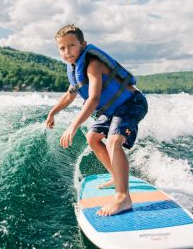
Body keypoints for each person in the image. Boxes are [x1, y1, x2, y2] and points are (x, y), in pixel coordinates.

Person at [45, 24, 148, 216]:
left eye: (72, 45)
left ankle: (123, 196)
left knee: (114, 140)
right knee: (93, 138)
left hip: (132, 103)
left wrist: (73, 127)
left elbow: (93, 99)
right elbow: (70, 95)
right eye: (62, 48)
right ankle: (116, 177)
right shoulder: (75, 69)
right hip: (113, 109)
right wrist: (53, 112)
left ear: (83, 45)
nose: (67, 51)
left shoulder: (93, 64)